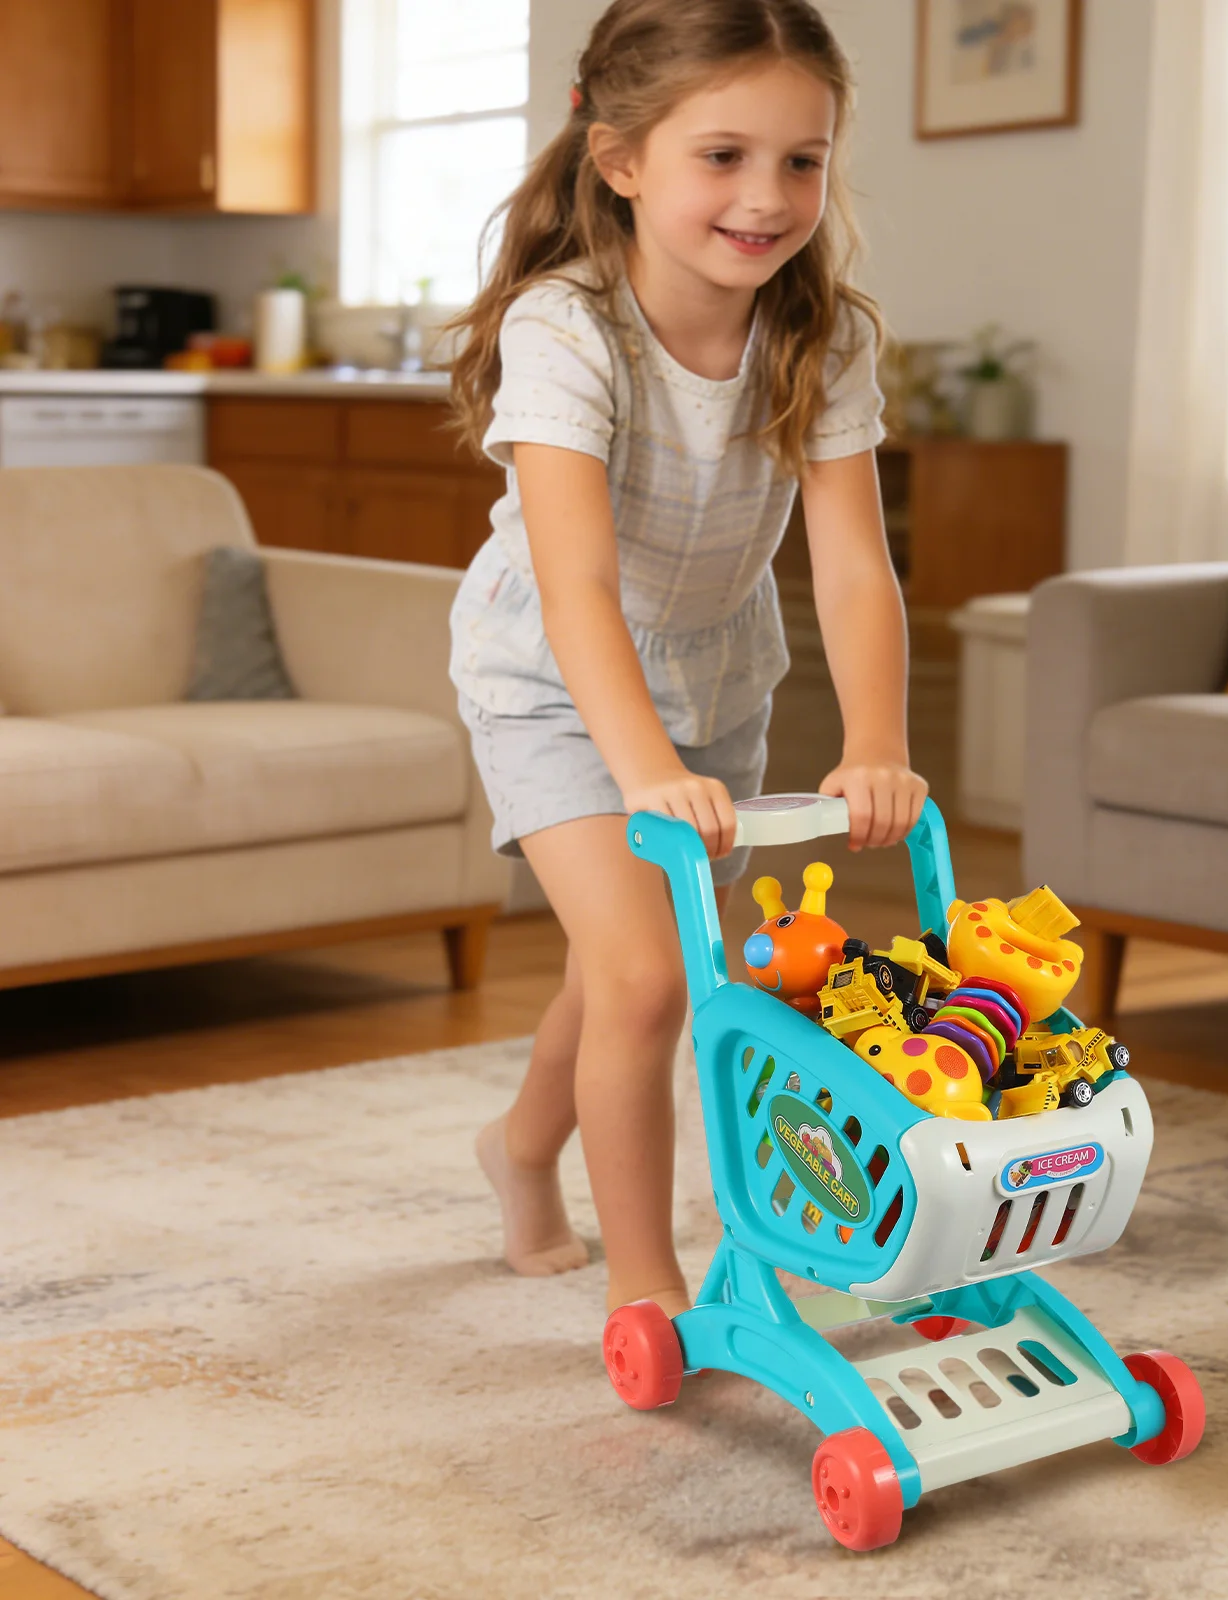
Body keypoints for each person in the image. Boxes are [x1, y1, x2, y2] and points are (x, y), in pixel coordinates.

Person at [447, 0, 926, 1320]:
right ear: (620, 161)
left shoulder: (823, 334)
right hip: (553, 679)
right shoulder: (567, 328)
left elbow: (849, 565)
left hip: (716, 683)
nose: (767, 197)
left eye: (802, 159)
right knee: (652, 977)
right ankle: (654, 1292)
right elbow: (576, 582)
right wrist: (643, 768)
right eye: (723, 156)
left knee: (628, 974)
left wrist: (877, 739)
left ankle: (522, 1149)